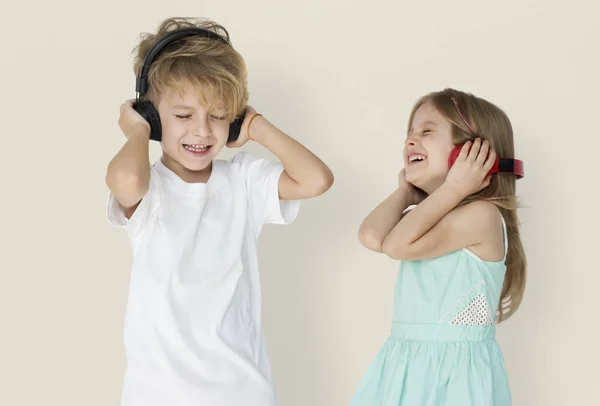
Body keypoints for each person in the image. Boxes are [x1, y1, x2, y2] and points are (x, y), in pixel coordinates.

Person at [105, 17, 334, 406]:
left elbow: (317, 180)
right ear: (154, 117)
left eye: (217, 115)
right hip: (158, 393)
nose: (202, 130)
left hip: (242, 390)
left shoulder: (243, 179)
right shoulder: (150, 187)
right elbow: (125, 180)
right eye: (182, 116)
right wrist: (138, 132)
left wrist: (257, 126)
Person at [350, 88, 526, 406]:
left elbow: (396, 247)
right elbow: (371, 236)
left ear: (469, 155)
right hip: (406, 364)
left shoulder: (481, 216)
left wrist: (455, 187)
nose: (410, 140)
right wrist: (405, 193)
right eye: (410, 133)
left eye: (426, 131)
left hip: (453, 375)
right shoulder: (433, 218)